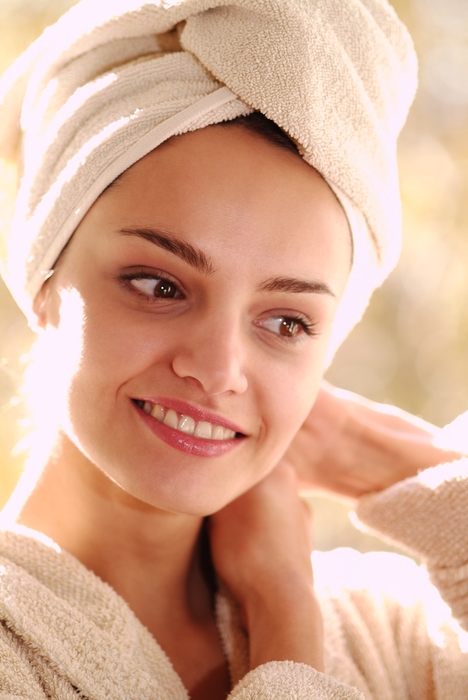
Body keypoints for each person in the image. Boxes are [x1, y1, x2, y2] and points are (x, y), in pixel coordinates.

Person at [0, 0, 466, 698]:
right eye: (159, 285)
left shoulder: (393, 629)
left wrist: (373, 453)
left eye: (287, 324)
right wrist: (283, 627)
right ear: (41, 276)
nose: (218, 372)